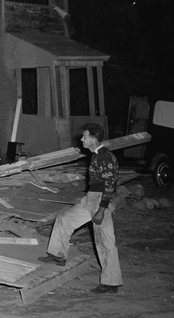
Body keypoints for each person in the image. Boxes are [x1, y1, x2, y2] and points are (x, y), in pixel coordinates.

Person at [39, 122, 123, 294]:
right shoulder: (96, 155)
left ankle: (110, 283)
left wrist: (101, 209)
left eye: (85, 137)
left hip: (101, 201)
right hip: (91, 198)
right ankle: (57, 255)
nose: (82, 139)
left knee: (105, 241)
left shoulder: (105, 157)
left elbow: (109, 185)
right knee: (64, 219)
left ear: (93, 139)